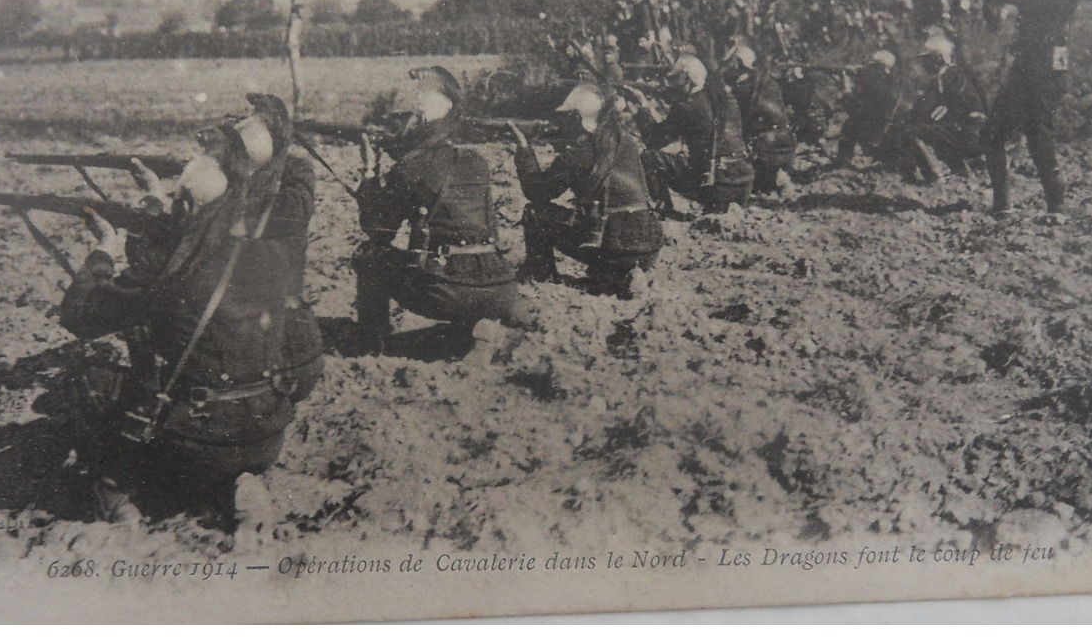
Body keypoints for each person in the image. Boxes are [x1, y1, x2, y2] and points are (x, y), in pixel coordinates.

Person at [59, 119, 317, 525]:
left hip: (197, 439)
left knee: (88, 379)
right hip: (263, 437)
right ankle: (236, 483)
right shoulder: (273, 257)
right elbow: (306, 371)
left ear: (183, 208)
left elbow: (80, 315)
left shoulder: (171, 277)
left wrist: (104, 249)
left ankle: (116, 493)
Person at [352, 66, 528, 355]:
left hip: (447, 291)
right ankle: (478, 329)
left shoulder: (411, 167)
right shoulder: (475, 160)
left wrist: (370, 172)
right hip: (499, 288)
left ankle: (374, 343)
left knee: (368, 253)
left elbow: (377, 229)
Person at [513, 80, 663, 296]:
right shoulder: (626, 142)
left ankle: (541, 274)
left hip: (612, 246)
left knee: (535, 212)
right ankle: (623, 275)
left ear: (576, 118)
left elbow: (536, 192)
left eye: (565, 117)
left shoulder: (576, 154)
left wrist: (524, 150)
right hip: (648, 246)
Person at [982, 0, 1083, 215]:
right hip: (1026, 68)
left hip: (1046, 72)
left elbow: (1031, 1)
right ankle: (1002, 204)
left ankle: (1056, 205)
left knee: (1038, 134)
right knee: (993, 134)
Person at [637, 53, 752, 218]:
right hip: (743, 183)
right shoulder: (725, 101)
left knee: (649, 159)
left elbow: (653, 139)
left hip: (715, 185)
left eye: (675, 79)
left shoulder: (687, 107)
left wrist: (643, 107)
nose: (671, 84)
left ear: (688, 79)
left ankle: (663, 211)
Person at [899, 28, 988, 184]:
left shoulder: (941, 80)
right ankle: (962, 173)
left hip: (969, 134)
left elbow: (923, 112)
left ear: (938, 59)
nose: (924, 64)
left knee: (911, 133)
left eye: (927, 60)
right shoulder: (957, 75)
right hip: (975, 132)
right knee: (936, 133)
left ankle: (935, 177)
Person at [720, 40, 797, 194]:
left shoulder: (743, 86)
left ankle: (775, 178)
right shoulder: (765, 81)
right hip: (784, 141)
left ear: (737, 64)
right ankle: (777, 177)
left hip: (764, 145)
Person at [833, 50, 904, 168]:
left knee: (850, 124)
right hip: (885, 130)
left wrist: (847, 89)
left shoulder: (877, 86)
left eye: (872, 66)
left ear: (880, 67)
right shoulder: (889, 83)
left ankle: (843, 163)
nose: (868, 68)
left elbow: (855, 110)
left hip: (875, 135)